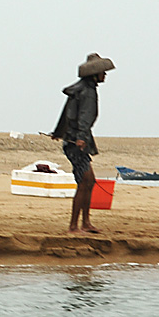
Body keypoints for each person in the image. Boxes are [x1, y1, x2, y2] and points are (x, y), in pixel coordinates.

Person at [52, 52, 115, 234]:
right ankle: (74, 226)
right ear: (94, 74)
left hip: (76, 140)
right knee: (84, 181)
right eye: (103, 72)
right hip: (77, 142)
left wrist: (58, 132)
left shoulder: (79, 90)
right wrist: (80, 137)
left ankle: (86, 223)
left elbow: (67, 113)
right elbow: (84, 118)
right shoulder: (87, 92)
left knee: (90, 181)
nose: (105, 75)